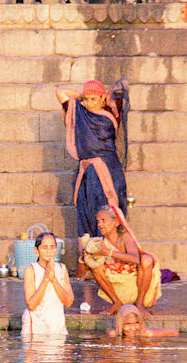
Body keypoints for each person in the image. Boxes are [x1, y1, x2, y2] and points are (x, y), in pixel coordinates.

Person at [56, 79, 130, 279]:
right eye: (86, 99)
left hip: (107, 172)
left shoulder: (111, 114)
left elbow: (121, 89)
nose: (89, 103)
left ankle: (111, 262)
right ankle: (88, 263)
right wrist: (82, 97)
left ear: (103, 98)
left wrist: (96, 99)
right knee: (85, 215)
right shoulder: (82, 113)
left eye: (94, 99)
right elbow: (60, 92)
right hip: (87, 172)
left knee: (108, 215)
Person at [87, 205, 162, 316]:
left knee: (146, 260)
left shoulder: (125, 237)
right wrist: (86, 258)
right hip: (116, 287)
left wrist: (108, 252)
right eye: (98, 221)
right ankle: (116, 303)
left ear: (116, 222)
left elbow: (136, 259)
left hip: (134, 285)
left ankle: (139, 304)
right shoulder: (99, 242)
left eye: (103, 221)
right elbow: (82, 272)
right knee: (95, 267)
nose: (100, 225)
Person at [21, 232, 74, 337]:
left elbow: (68, 302)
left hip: (57, 327)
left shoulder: (62, 269)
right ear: (37, 251)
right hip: (35, 330)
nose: (49, 251)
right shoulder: (31, 270)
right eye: (45, 247)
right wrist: (46, 279)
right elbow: (31, 305)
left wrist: (53, 279)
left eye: (52, 247)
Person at [107, 304, 179, 338]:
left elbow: (175, 332)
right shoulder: (114, 333)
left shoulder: (147, 333)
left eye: (136, 323)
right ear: (120, 323)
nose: (132, 328)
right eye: (127, 324)